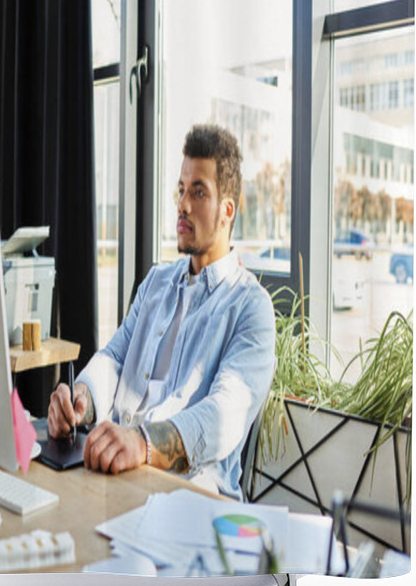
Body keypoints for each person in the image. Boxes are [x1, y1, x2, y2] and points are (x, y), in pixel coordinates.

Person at [47, 124, 275, 499]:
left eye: (199, 192)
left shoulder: (251, 307)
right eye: (182, 190)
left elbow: (224, 415)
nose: (183, 205)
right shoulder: (155, 282)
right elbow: (115, 357)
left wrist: (143, 444)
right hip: (114, 480)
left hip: (189, 498)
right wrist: (81, 400)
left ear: (227, 210)